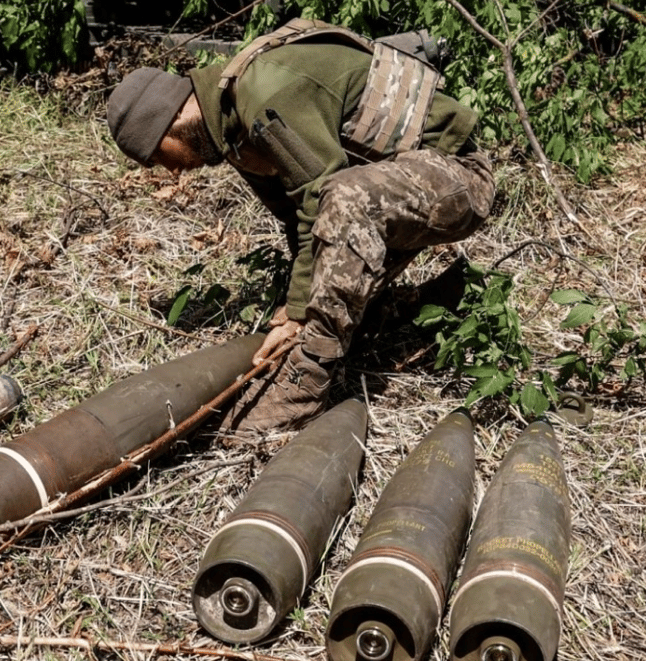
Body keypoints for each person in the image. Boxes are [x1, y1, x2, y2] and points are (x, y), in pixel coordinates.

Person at [105, 19, 494, 437]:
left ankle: (305, 385)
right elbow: (299, 222)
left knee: (344, 196)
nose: (172, 172)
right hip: (396, 187)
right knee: (343, 280)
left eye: (160, 157)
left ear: (170, 121)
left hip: (458, 178)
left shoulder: (263, 94)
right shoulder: (234, 133)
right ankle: (437, 297)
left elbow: (323, 197)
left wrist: (299, 318)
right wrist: (300, 301)